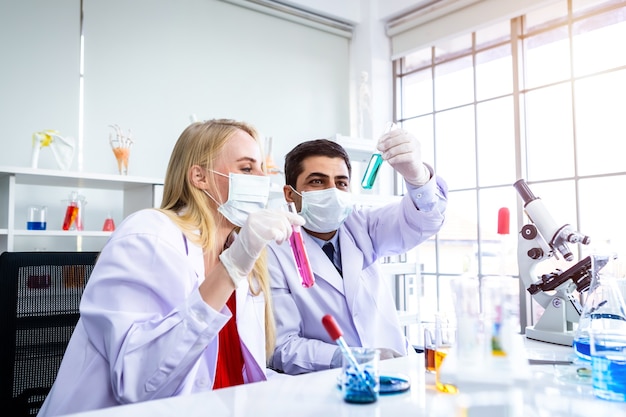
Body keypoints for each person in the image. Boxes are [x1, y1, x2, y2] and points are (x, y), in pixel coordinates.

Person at [38, 119, 304, 416]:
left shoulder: (239, 250)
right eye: (246, 168)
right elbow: (138, 383)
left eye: (263, 170)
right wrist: (231, 267)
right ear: (199, 176)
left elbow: (237, 371)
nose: (262, 180)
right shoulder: (148, 236)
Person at [267, 129, 448, 375]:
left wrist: (418, 178)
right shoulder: (273, 251)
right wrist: (352, 357)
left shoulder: (361, 226)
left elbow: (423, 222)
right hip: (330, 387)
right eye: (317, 181)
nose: (333, 191)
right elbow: (281, 348)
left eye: (341, 182)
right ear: (290, 193)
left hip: (397, 370)